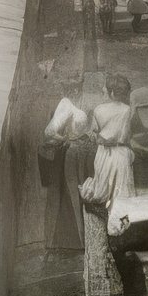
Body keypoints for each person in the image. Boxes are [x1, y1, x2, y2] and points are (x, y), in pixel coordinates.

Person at [39, 96, 95, 252]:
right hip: (72, 152)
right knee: (71, 191)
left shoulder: (69, 104)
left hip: (80, 151)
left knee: (80, 190)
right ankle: (74, 240)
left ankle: (80, 239)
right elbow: (49, 132)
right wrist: (65, 138)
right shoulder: (66, 107)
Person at [79, 74, 135, 208]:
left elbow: (94, 134)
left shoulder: (99, 110)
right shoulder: (128, 110)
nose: (103, 89)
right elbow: (129, 134)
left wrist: (102, 137)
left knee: (102, 189)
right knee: (122, 194)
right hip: (121, 153)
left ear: (112, 92)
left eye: (105, 87)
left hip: (104, 154)